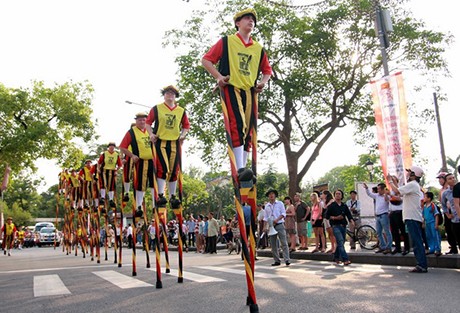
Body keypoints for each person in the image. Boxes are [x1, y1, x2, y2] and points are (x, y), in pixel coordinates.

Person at [201, 8, 272, 182]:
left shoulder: (258, 48)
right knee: (238, 123)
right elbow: (206, 60)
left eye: (253, 20)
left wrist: (262, 82)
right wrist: (218, 77)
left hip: (249, 91)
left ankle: (245, 169)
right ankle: (239, 167)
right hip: (232, 87)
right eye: (247, 18)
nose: (251, 21)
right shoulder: (227, 41)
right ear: (237, 23)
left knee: (249, 129)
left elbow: (267, 70)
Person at [146, 85, 190, 208]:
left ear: (175, 96)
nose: (170, 95)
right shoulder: (157, 108)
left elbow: (186, 125)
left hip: (175, 142)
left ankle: (172, 196)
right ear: (164, 95)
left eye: (172, 93)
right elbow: (148, 122)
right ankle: (160, 194)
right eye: (167, 93)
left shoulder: (181, 111)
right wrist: (151, 134)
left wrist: (183, 135)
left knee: (174, 169)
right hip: (161, 141)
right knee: (163, 168)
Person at [387, 165, 428, 273]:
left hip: (412, 217)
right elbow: (400, 192)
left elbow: (397, 191)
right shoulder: (413, 186)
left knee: (417, 242)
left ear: (414, 174)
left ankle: (421, 265)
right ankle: (421, 264)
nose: (408, 174)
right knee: (416, 241)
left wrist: (390, 181)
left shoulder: (412, 185)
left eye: (410, 172)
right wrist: (394, 184)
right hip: (413, 217)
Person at [119, 113, 156, 217]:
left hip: (153, 161)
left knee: (154, 183)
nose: (142, 122)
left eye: (144, 120)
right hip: (140, 161)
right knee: (140, 184)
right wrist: (132, 155)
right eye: (140, 120)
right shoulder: (131, 132)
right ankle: (139, 206)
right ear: (136, 121)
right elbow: (122, 147)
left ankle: (155, 205)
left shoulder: (151, 130)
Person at [325, 190, 354, 265]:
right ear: (334, 195)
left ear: (342, 195)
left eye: (339, 194)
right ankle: (345, 259)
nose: (338, 195)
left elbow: (348, 214)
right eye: (336, 194)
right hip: (335, 226)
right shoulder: (331, 206)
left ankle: (336, 257)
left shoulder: (344, 205)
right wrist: (335, 218)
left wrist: (351, 220)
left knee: (341, 242)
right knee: (340, 241)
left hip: (343, 226)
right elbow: (326, 216)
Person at [363, 182, 392, 254]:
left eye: (379, 189)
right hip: (378, 216)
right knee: (378, 232)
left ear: (382, 189)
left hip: (384, 215)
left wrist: (385, 193)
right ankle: (382, 246)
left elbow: (387, 200)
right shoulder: (377, 196)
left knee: (387, 231)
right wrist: (366, 188)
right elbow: (369, 194)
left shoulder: (387, 196)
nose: (378, 190)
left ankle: (388, 247)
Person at [263, 188, 290, 266]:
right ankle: (276, 260)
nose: (271, 195)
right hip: (271, 226)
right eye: (270, 194)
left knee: (284, 242)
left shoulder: (280, 203)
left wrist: (277, 219)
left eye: (272, 194)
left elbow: (283, 213)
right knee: (273, 244)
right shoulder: (267, 206)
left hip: (279, 224)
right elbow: (265, 217)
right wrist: (265, 226)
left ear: (275, 195)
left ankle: (287, 259)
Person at [387, 177, 410, 255]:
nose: (391, 182)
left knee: (403, 230)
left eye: (393, 180)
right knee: (394, 231)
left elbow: (399, 198)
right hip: (392, 212)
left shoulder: (400, 188)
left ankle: (407, 247)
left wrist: (391, 195)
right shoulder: (391, 190)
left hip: (399, 211)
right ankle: (398, 247)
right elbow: (388, 200)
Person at [97, 142, 122, 208]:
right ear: (108, 147)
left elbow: (120, 165)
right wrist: (98, 169)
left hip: (112, 171)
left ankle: (111, 199)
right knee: (103, 184)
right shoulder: (104, 154)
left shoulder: (116, 154)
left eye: (113, 146)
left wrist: (116, 170)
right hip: (104, 171)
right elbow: (99, 162)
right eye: (110, 146)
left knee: (111, 185)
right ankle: (102, 197)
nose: (111, 147)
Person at [437, 172, 456, 254]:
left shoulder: (456, 188)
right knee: (449, 230)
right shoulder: (444, 191)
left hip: (456, 212)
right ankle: (453, 248)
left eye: (440, 178)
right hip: (449, 213)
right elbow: (442, 203)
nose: (439, 181)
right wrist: (447, 213)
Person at [442, 173, 460, 254]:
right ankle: (454, 249)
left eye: (453, 177)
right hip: (455, 219)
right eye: (450, 178)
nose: (453, 179)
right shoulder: (446, 193)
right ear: (446, 181)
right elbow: (443, 205)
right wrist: (447, 214)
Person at [422, 191, 442, 256]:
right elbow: (423, 216)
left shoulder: (433, 205)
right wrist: (423, 223)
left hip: (432, 222)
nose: (424, 198)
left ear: (429, 198)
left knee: (435, 236)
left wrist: (436, 224)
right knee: (429, 236)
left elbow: (436, 215)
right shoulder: (424, 207)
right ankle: (432, 248)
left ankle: (438, 249)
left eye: (425, 197)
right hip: (427, 223)